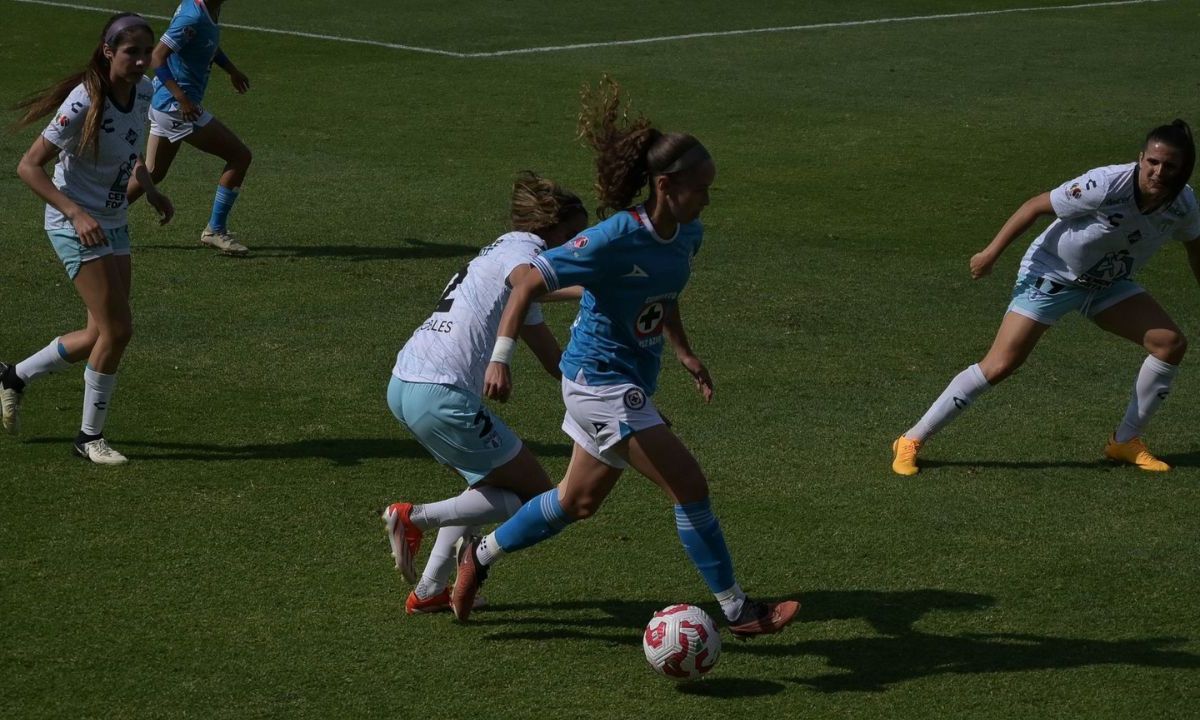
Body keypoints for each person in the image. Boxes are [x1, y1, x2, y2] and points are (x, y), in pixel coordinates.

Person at [451, 77, 801, 638]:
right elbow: (527, 285)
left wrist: (684, 351)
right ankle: (738, 610)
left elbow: (662, 296)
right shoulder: (613, 238)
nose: (709, 199)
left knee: (575, 502)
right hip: (598, 383)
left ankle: (480, 554)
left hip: (631, 378)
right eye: (701, 188)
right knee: (689, 486)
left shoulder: (687, 236)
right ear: (665, 186)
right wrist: (501, 357)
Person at [892, 120, 1200, 476]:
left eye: (1170, 166)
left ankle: (1125, 441)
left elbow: (1195, 249)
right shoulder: (1104, 184)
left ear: (1183, 169)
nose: (1158, 172)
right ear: (1141, 158)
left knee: (1170, 344)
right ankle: (911, 439)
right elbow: (1035, 206)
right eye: (1152, 162)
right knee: (1000, 364)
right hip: (1051, 274)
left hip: (1107, 284)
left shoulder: (1183, 204)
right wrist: (990, 254)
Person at [382, 172, 588, 615]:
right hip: (441, 390)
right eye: (571, 237)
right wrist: (596, 288)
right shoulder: (525, 252)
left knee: (486, 488)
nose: (574, 247)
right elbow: (525, 281)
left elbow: (556, 363)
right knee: (537, 497)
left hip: (406, 383)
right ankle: (412, 517)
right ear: (547, 227)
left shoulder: (504, 256)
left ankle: (430, 590)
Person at [2, 13, 174, 464]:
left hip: (114, 221)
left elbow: (133, 150)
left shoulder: (146, 91)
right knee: (119, 330)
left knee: (99, 331)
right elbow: (28, 166)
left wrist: (149, 188)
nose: (140, 61)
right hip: (75, 224)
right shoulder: (83, 101)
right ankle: (87, 438)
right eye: (130, 52)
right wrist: (75, 213)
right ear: (108, 52)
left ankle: (13, 377)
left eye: (145, 52)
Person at [124, 0, 252, 256]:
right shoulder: (192, 16)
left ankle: (100, 217)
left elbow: (207, 44)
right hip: (176, 108)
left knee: (153, 172)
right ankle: (215, 230)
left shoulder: (207, 10)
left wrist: (231, 70)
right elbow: (157, 57)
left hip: (167, 105)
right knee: (240, 156)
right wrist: (182, 98)